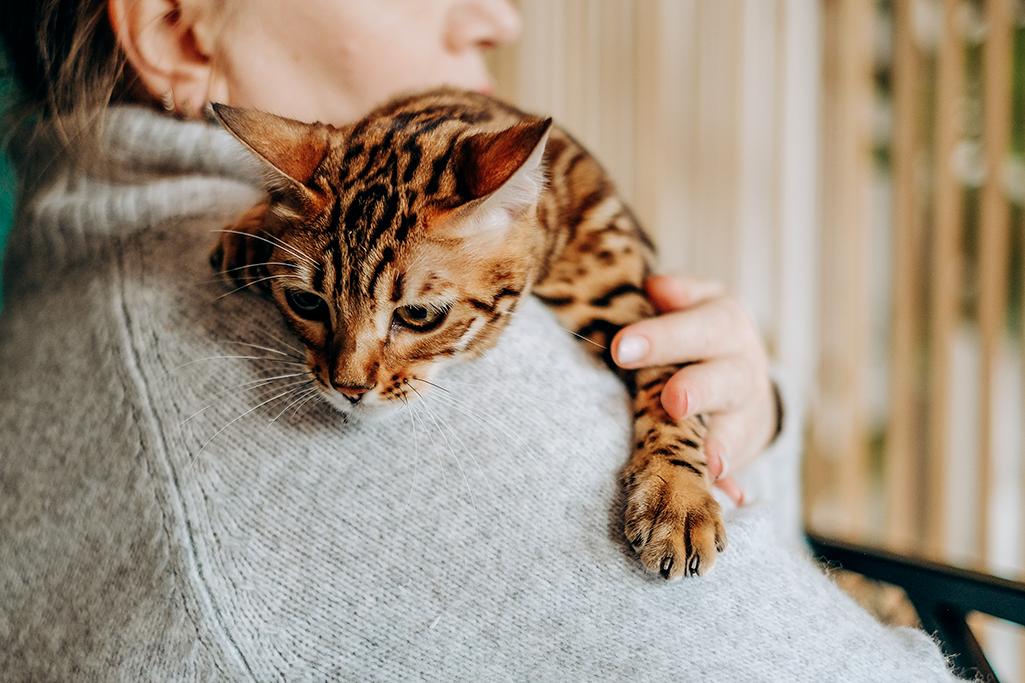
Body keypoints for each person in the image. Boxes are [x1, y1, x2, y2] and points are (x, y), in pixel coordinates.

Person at [0, 1, 962, 680]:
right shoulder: (486, 428)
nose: (498, 17)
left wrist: (756, 427)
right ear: (176, 28)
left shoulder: (72, 270)